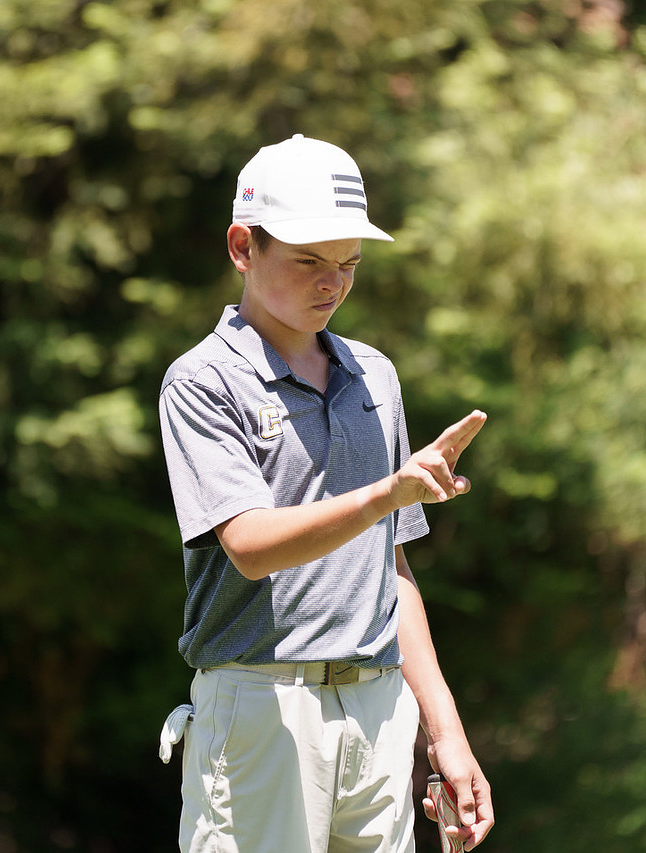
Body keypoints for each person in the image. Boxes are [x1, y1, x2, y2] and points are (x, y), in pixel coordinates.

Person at [157, 133, 495, 853]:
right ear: (243, 247)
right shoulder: (203, 381)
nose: (331, 284)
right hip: (262, 709)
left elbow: (391, 570)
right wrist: (387, 492)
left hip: (379, 708)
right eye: (309, 260)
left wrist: (445, 732)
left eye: (348, 264)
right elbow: (250, 546)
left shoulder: (375, 375)